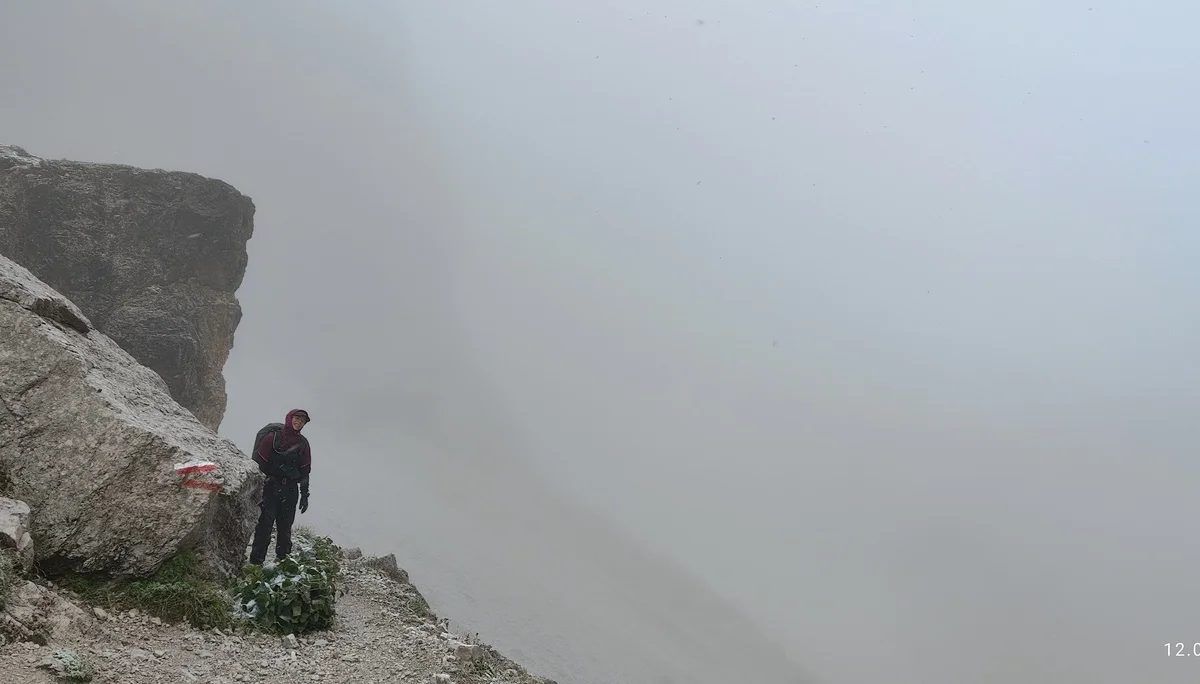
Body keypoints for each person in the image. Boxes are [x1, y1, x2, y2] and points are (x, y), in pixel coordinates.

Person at [247, 408, 312, 565]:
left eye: (302, 420)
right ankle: (256, 563)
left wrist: (304, 495)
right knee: (264, 526)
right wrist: (258, 488)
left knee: (285, 528)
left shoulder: (303, 444)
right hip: (270, 487)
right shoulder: (272, 437)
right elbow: (259, 463)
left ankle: (283, 563)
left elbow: (305, 471)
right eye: (296, 418)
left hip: (290, 490)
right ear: (289, 418)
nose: (299, 422)